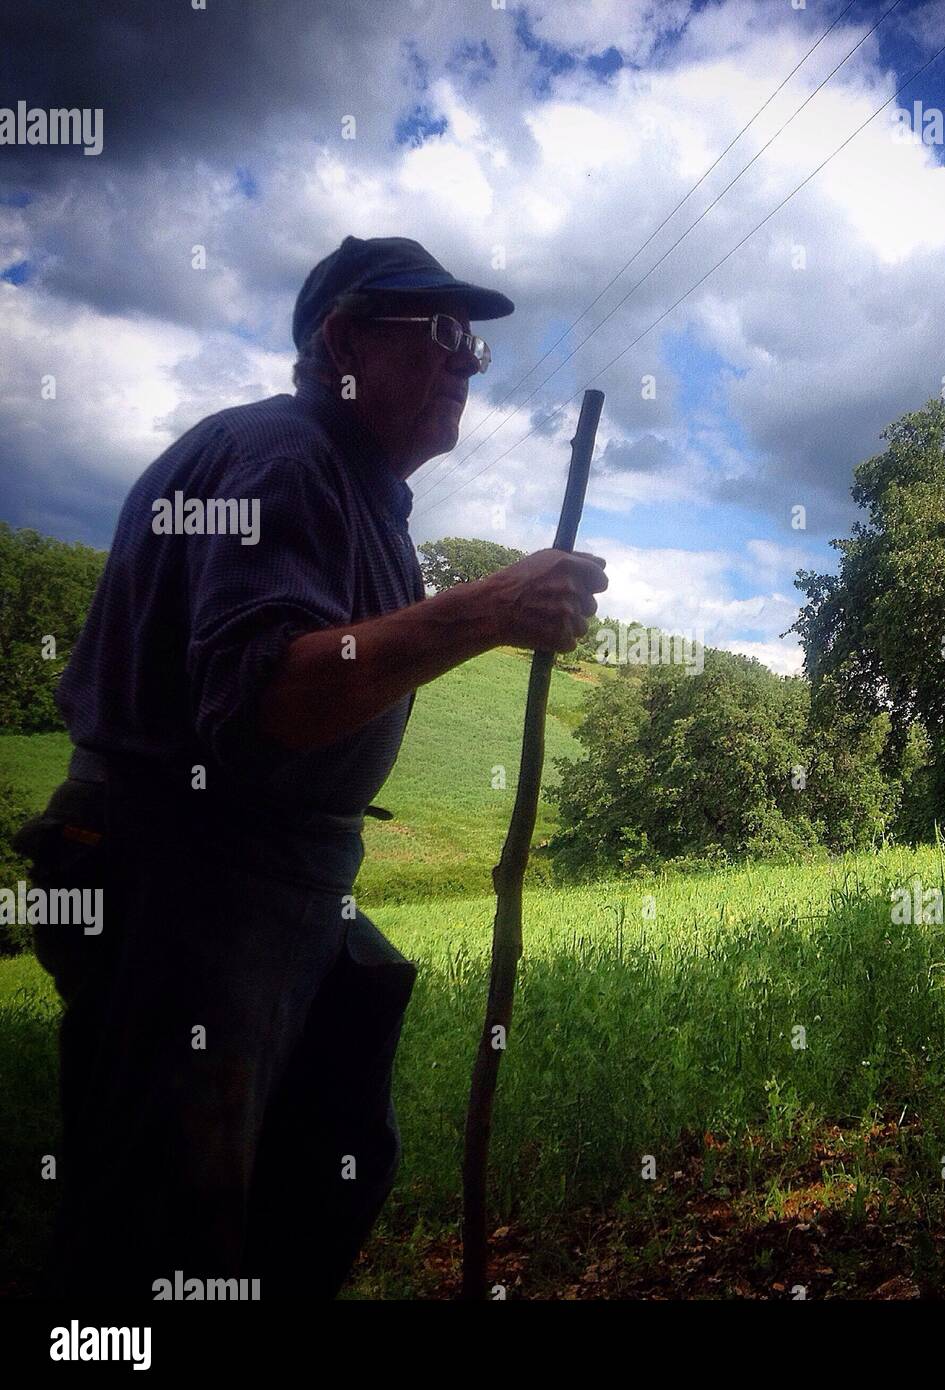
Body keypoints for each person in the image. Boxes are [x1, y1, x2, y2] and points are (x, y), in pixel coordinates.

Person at [17, 233, 608, 1298]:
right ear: (340, 339)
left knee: (317, 1172)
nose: (467, 363)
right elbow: (259, 702)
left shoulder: (353, 480)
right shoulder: (286, 456)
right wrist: (485, 609)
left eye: (471, 342)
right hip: (184, 879)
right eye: (438, 332)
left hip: (268, 885)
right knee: (163, 1239)